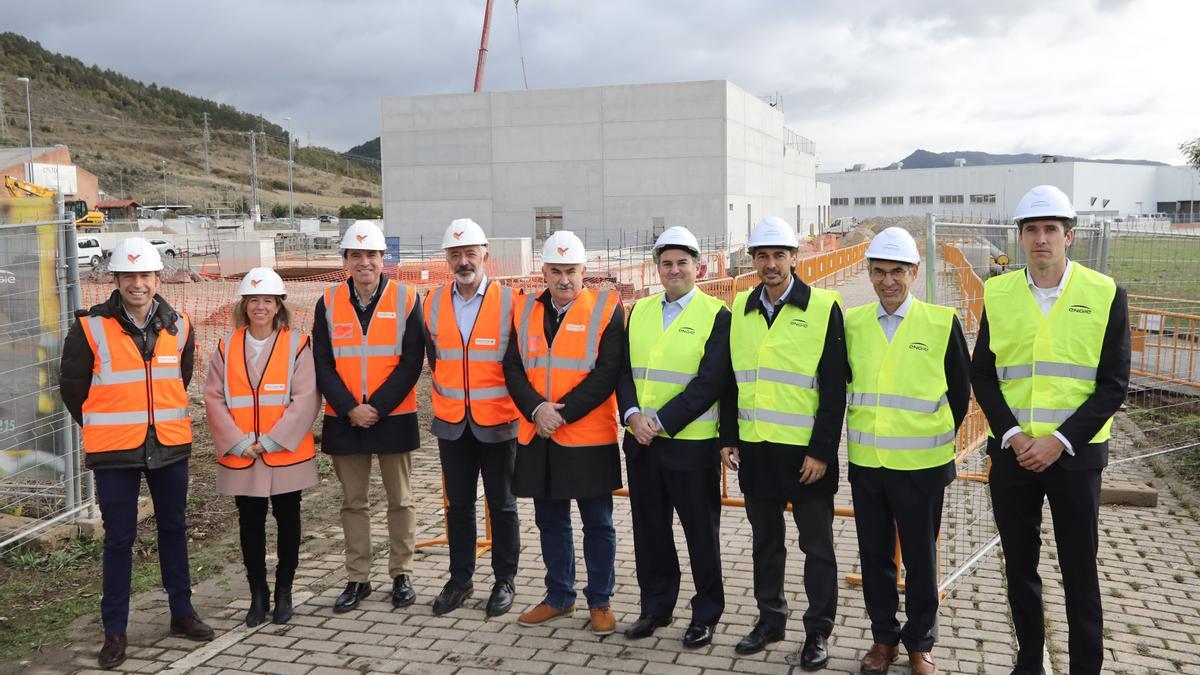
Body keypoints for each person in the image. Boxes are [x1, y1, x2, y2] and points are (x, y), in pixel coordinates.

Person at [972, 185, 1130, 675]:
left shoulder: (1105, 294)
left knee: (1079, 569)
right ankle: (1029, 661)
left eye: (1050, 230)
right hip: (1014, 458)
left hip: (1075, 459)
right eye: (1031, 230)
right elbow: (983, 373)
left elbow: (1113, 385)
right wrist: (1015, 436)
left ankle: (1085, 666)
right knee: (1019, 568)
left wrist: (1058, 441)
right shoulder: (997, 293)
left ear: (1070, 236)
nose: (1041, 239)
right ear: (1020, 238)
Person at [59, 237, 214, 669]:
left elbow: (178, 380)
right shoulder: (89, 327)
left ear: (156, 278)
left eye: (144, 275)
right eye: (129, 276)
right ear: (117, 280)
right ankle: (114, 632)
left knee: (174, 530)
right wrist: (106, 425)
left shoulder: (180, 324)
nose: (137, 284)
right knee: (119, 541)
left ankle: (182, 613)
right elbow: (74, 389)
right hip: (115, 452)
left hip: (168, 445)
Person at [844, 228, 971, 675]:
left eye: (897, 271)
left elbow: (960, 391)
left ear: (914, 272)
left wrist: (931, 436)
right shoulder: (854, 322)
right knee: (876, 559)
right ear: (870, 273)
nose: (888, 281)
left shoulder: (940, 322)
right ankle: (883, 641)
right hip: (867, 465)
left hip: (922, 467)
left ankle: (920, 642)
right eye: (879, 272)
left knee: (921, 561)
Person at [722, 216, 846, 669]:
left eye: (778, 255)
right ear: (752, 260)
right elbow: (731, 380)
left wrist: (822, 451)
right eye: (762, 256)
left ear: (795, 258)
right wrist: (729, 437)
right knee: (766, 543)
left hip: (805, 456)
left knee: (816, 547)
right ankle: (770, 619)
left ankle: (818, 631)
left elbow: (834, 389)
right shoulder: (740, 307)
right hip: (755, 451)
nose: (770, 264)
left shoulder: (823, 307)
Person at [502, 230, 624, 636]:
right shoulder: (524, 310)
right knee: (550, 521)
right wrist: (537, 410)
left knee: (598, 524)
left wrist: (561, 414)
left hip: (587, 436)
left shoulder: (607, 309)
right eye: (556, 271)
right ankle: (559, 596)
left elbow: (607, 373)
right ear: (544, 272)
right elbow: (513, 368)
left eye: (571, 271)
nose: (564, 280)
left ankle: (600, 601)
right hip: (539, 435)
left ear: (584, 271)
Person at [617, 226, 730, 648]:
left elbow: (709, 382)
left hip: (689, 446)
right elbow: (624, 371)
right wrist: (631, 415)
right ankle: (656, 607)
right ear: (657, 268)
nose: (674, 269)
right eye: (667, 263)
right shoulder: (641, 310)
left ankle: (705, 614)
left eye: (683, 262)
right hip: (642, 444)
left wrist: (660, 421)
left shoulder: (717, 315)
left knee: (701, 534)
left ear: (698, 267)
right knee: (650, 532)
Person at [313, 220, 425, 613]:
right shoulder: (327, 302)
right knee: (353, 503)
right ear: (345, 260)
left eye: (372, 255)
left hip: (393, 414)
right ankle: (357, 578)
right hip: (345, 417)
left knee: (401, 500)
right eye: (356, 255)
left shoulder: (408, 298)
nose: (365, 262)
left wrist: (376, 406)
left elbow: (413, 360)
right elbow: (322, 362)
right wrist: (350, 408)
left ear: (384, 259)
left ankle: (402, 574)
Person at [204, 268, 320, 627]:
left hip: (284, 453)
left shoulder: (297, 344)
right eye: (253, 300)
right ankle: (258, 595)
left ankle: (284, 591)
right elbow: (213, 398)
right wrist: (239, 442)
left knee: (289, 521)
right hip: (243, 454)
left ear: (278, 305)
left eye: (267, 300)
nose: (260, 307)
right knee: (250, 523)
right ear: (244, 304)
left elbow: (306, 398)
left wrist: (273, 440)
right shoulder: (227, 346)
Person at [423, 218, 521, 617]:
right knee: (458, 505)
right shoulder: (431, 302)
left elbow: (520, 362)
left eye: (470, 253)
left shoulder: (511, 302)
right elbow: (435, 359)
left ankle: (505, 579)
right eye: (455, 255)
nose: (464, 262)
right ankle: (460, 579)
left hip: (498, 421)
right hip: (452, 423)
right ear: (447, 258)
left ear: (485, 255)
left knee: (503, 505)